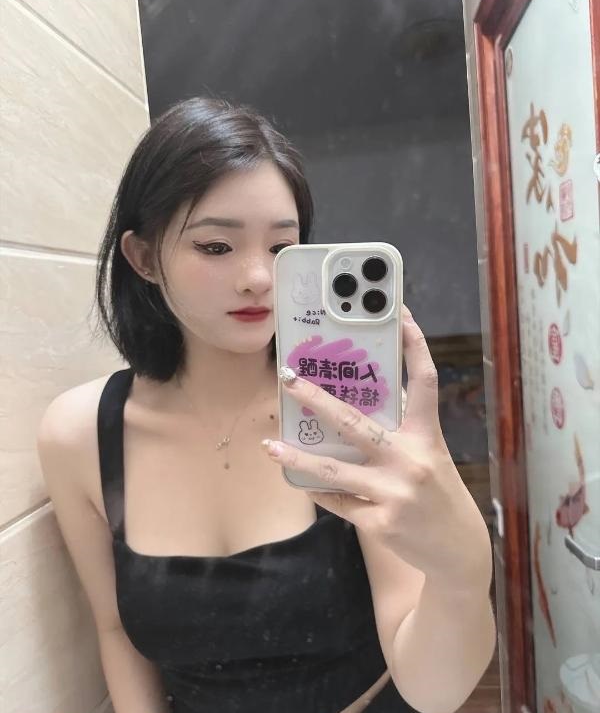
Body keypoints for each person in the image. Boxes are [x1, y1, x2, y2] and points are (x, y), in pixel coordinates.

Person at [37, 97, 496, 713]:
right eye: (215, 247)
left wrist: (463, 571)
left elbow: (433, 690)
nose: (259, 277)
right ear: (144, 258)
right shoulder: (79, 436)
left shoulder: (348, 411)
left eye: (282, 248)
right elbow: (116, 631)